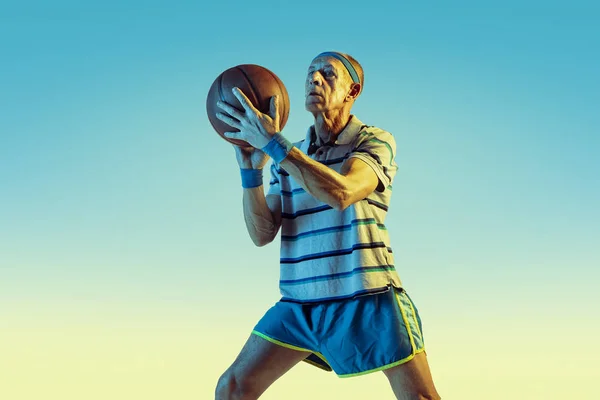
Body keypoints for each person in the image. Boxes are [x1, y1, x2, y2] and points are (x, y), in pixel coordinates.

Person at [214, 51, 441, 400]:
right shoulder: (286, 157)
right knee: (232, 388)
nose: (314, 79)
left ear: (353, 90)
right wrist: (251, 172)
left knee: (419, 398)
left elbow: (343, 192)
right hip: (300, 303)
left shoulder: (373, 141)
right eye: (309, 73)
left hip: (366, 295)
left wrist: (276, 146)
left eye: (327, 74)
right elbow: (261, 234)